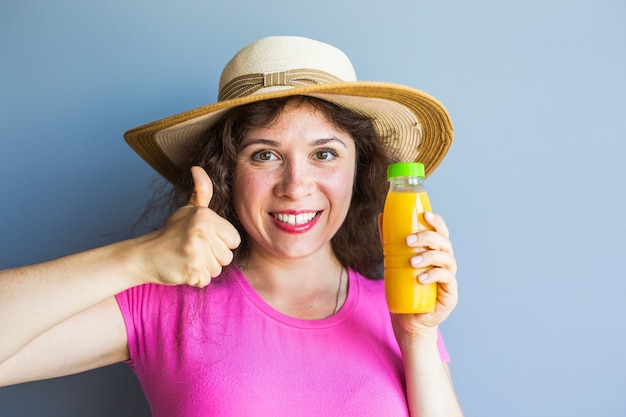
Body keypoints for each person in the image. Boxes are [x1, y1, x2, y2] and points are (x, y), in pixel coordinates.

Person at [0, 36, 462, 416]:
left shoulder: (402, 309)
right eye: (265, 154)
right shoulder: (167, 305)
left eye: (325, 154)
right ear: (227, 172)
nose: (296, 186)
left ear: (359, 170)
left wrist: (418, 337)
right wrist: (137, 257)